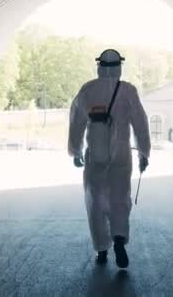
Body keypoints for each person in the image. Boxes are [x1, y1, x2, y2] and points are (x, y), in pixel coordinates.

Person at [68, 49, 151, 269]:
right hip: (122, 156)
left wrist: (75, 151)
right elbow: (141, 125)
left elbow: (76, 122)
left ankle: (102, 249)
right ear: (119, 67)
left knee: (95, 202)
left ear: (100, 67)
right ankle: (119, 239)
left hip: (95, 156)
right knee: (119, 199)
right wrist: (144, 152)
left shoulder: (88, 90)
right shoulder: (128, 91)